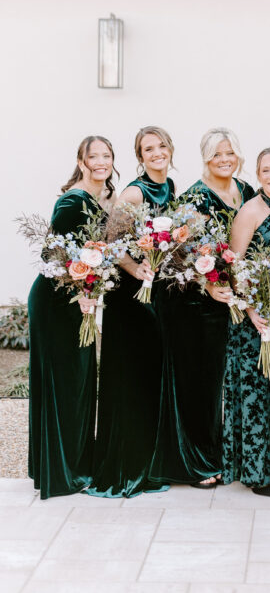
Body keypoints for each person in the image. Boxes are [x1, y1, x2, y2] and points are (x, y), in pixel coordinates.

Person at [149, 128, 254, 489]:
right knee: (202, 384)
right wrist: (209, 282)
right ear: (205, 158)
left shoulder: (246, 192)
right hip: (196, 305)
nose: (224, 160)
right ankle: (197, 462)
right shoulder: (195, 198)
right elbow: (179, 256)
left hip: (233, 302)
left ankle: (229, 452)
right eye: (216, 155)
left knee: (230, 381)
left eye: (230, 153)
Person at [88, 126, 176, 498]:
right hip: (132, 298)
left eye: (161, 146)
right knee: (129, 379)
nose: (156, 153)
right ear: (140, 158)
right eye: (147, 149)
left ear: (171, 149)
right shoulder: (135, 192)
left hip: (155, 295)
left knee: (148, 379)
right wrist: (135, 268)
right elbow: (111, 240)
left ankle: (147, 462)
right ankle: (124, 469)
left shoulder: (171, 187)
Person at [28, 136, 117, 499]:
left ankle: (77, 466)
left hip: (81, 298)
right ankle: (63, 473)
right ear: (80, 161)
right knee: (65, 385)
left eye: (106, 155)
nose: (100, 161)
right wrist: (83, 289)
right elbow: (56, 255)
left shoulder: (104, 198)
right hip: (57, 302)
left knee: (80, 385)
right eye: (92, 156)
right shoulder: (72, 201)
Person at [222, 147, 270, 493]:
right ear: (258, 175)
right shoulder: (251, 211)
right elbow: (235, 266)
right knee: (255, 393)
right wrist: (252, 310)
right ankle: (256, 472)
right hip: (253, 321)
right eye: (266, 170)